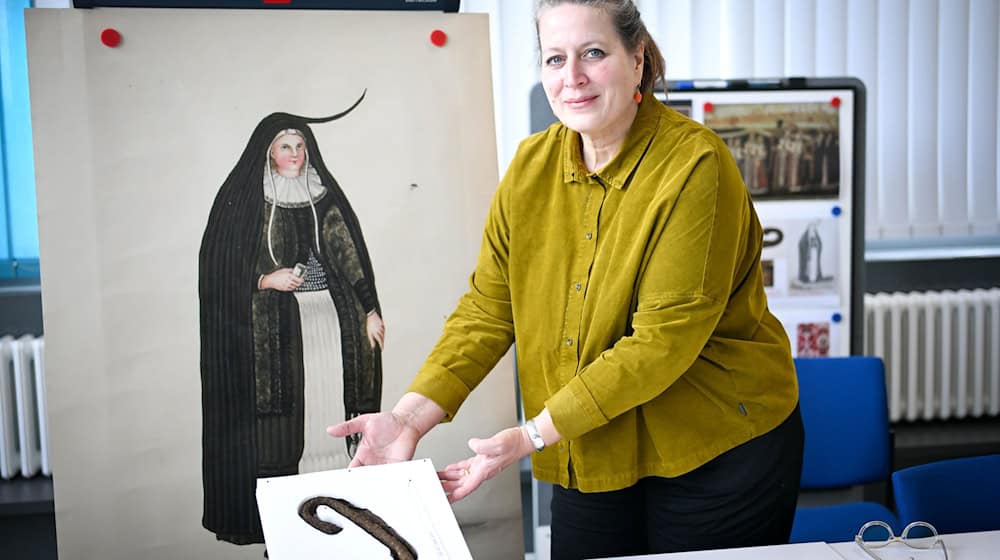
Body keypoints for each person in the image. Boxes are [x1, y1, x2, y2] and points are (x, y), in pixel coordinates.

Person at [329, 2, 803, 558]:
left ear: (637, 58)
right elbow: (488, 308)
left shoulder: (696, 167)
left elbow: (661, 342)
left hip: (716, 447)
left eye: (593, 53)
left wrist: (531, 435)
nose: (571, 78)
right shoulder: (530, 168)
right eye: (554, 58)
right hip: (592, 441)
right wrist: (409, 417)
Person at [199, 94, 385, 545]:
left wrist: (369, 308)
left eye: (300, 146)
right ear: (268, 152)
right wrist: (266, 280)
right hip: (274, 337)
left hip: (328, 327)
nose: (295, 155)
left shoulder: (323, 196)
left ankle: (338, 519)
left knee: (329, 413)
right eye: (286, 146)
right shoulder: (247, 202)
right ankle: (285, 530)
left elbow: (348, 253)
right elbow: (219, 270)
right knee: (281, 426)